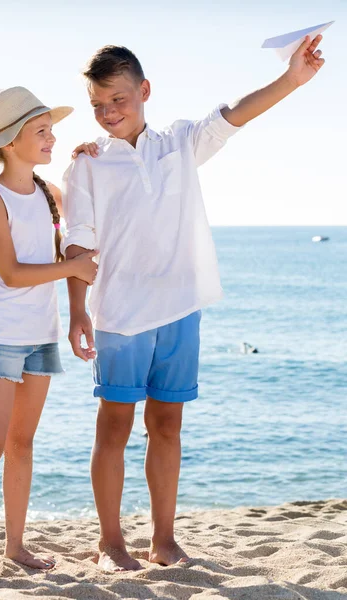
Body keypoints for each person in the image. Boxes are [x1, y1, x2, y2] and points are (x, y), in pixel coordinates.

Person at [62, 38, 325, 571]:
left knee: (168, 427)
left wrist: (292, 80)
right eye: (98, 104)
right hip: (122, 316)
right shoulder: (86, 165)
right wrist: (78, 311)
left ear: (144, 91)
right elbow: (76, 248)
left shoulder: (179, 144)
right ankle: (110, 543)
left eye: (119, 99)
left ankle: (163, 540)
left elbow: (233, 116)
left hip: (181, 309)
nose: (109, 112)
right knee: (113, 427)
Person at [0, 86, 98, 573]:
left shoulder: (49, 194)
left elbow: (88, 209)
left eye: (52, 130)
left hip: (41, 336)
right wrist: (71, 271)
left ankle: (15, 547)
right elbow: (11, 273)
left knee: (21, 444)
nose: (51, 138)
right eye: (42, 131)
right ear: (10, 142)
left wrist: (87, 162)